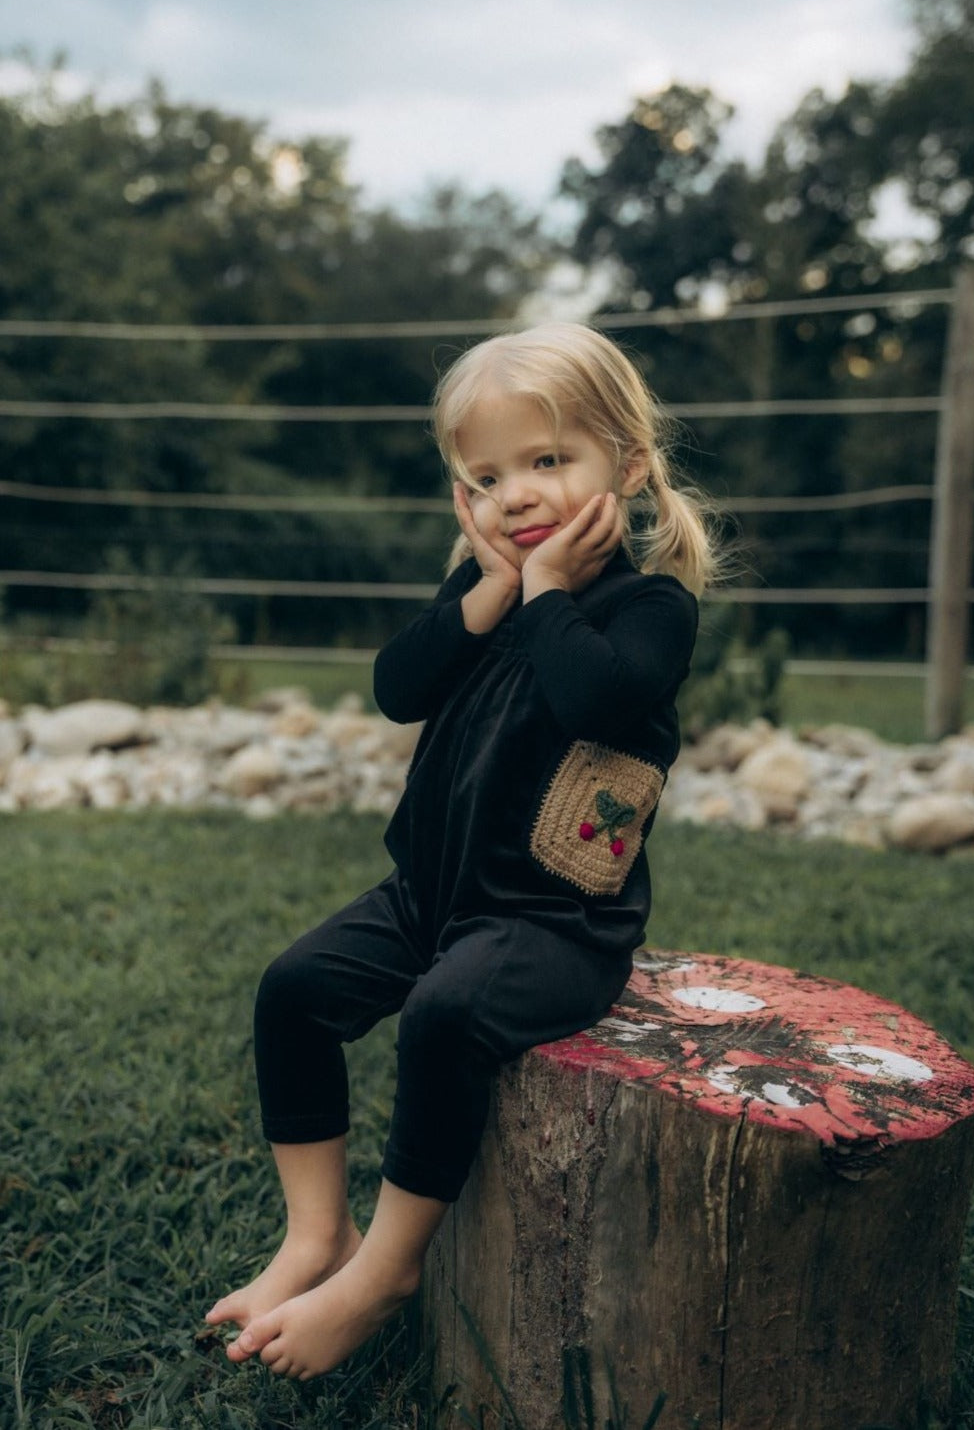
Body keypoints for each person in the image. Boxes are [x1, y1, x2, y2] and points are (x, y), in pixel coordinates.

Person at [206, 322, 719, 1380]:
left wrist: (539, 600)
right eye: (485, 477)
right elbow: (397, 690)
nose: (517, 496)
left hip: (554, 927)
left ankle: (386, 1268)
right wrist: (487, 594)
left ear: (625, 464)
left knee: (443, 1017)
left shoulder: (649, 609)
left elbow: (593, 696)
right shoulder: (481, 601)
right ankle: (316, 1237)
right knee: (292, 988)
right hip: (427, 899)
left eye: (547, 461)